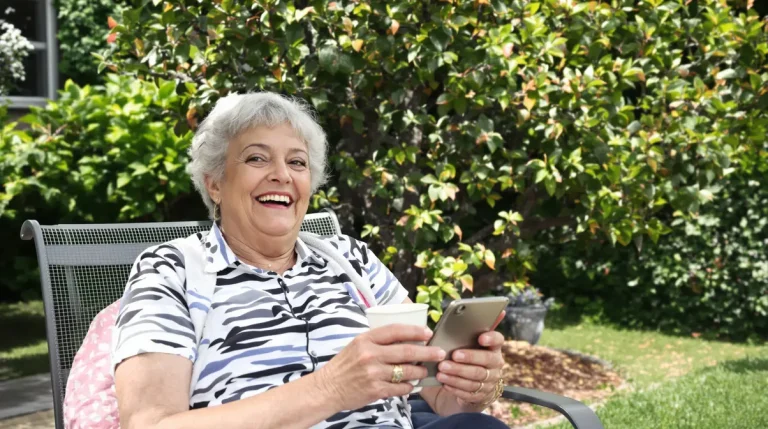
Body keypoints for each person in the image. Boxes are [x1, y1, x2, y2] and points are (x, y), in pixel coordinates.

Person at [112, 92, 509, 429]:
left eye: (297, 162)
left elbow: (437, 397)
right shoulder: (172, 270)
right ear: (214, 183)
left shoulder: (352, 260)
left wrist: (470, 386)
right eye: (256, 159)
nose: (282, 175)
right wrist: (330, 388)